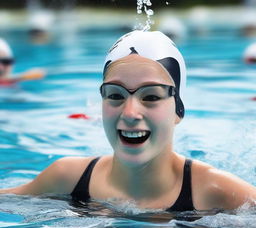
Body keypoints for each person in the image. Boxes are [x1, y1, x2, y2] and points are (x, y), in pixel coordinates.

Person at [1, 30, 256, 212]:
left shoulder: (221, 193)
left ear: (178, 110)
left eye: (151, 96)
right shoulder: (68, 178)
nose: (130, 113)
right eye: (115, 95)